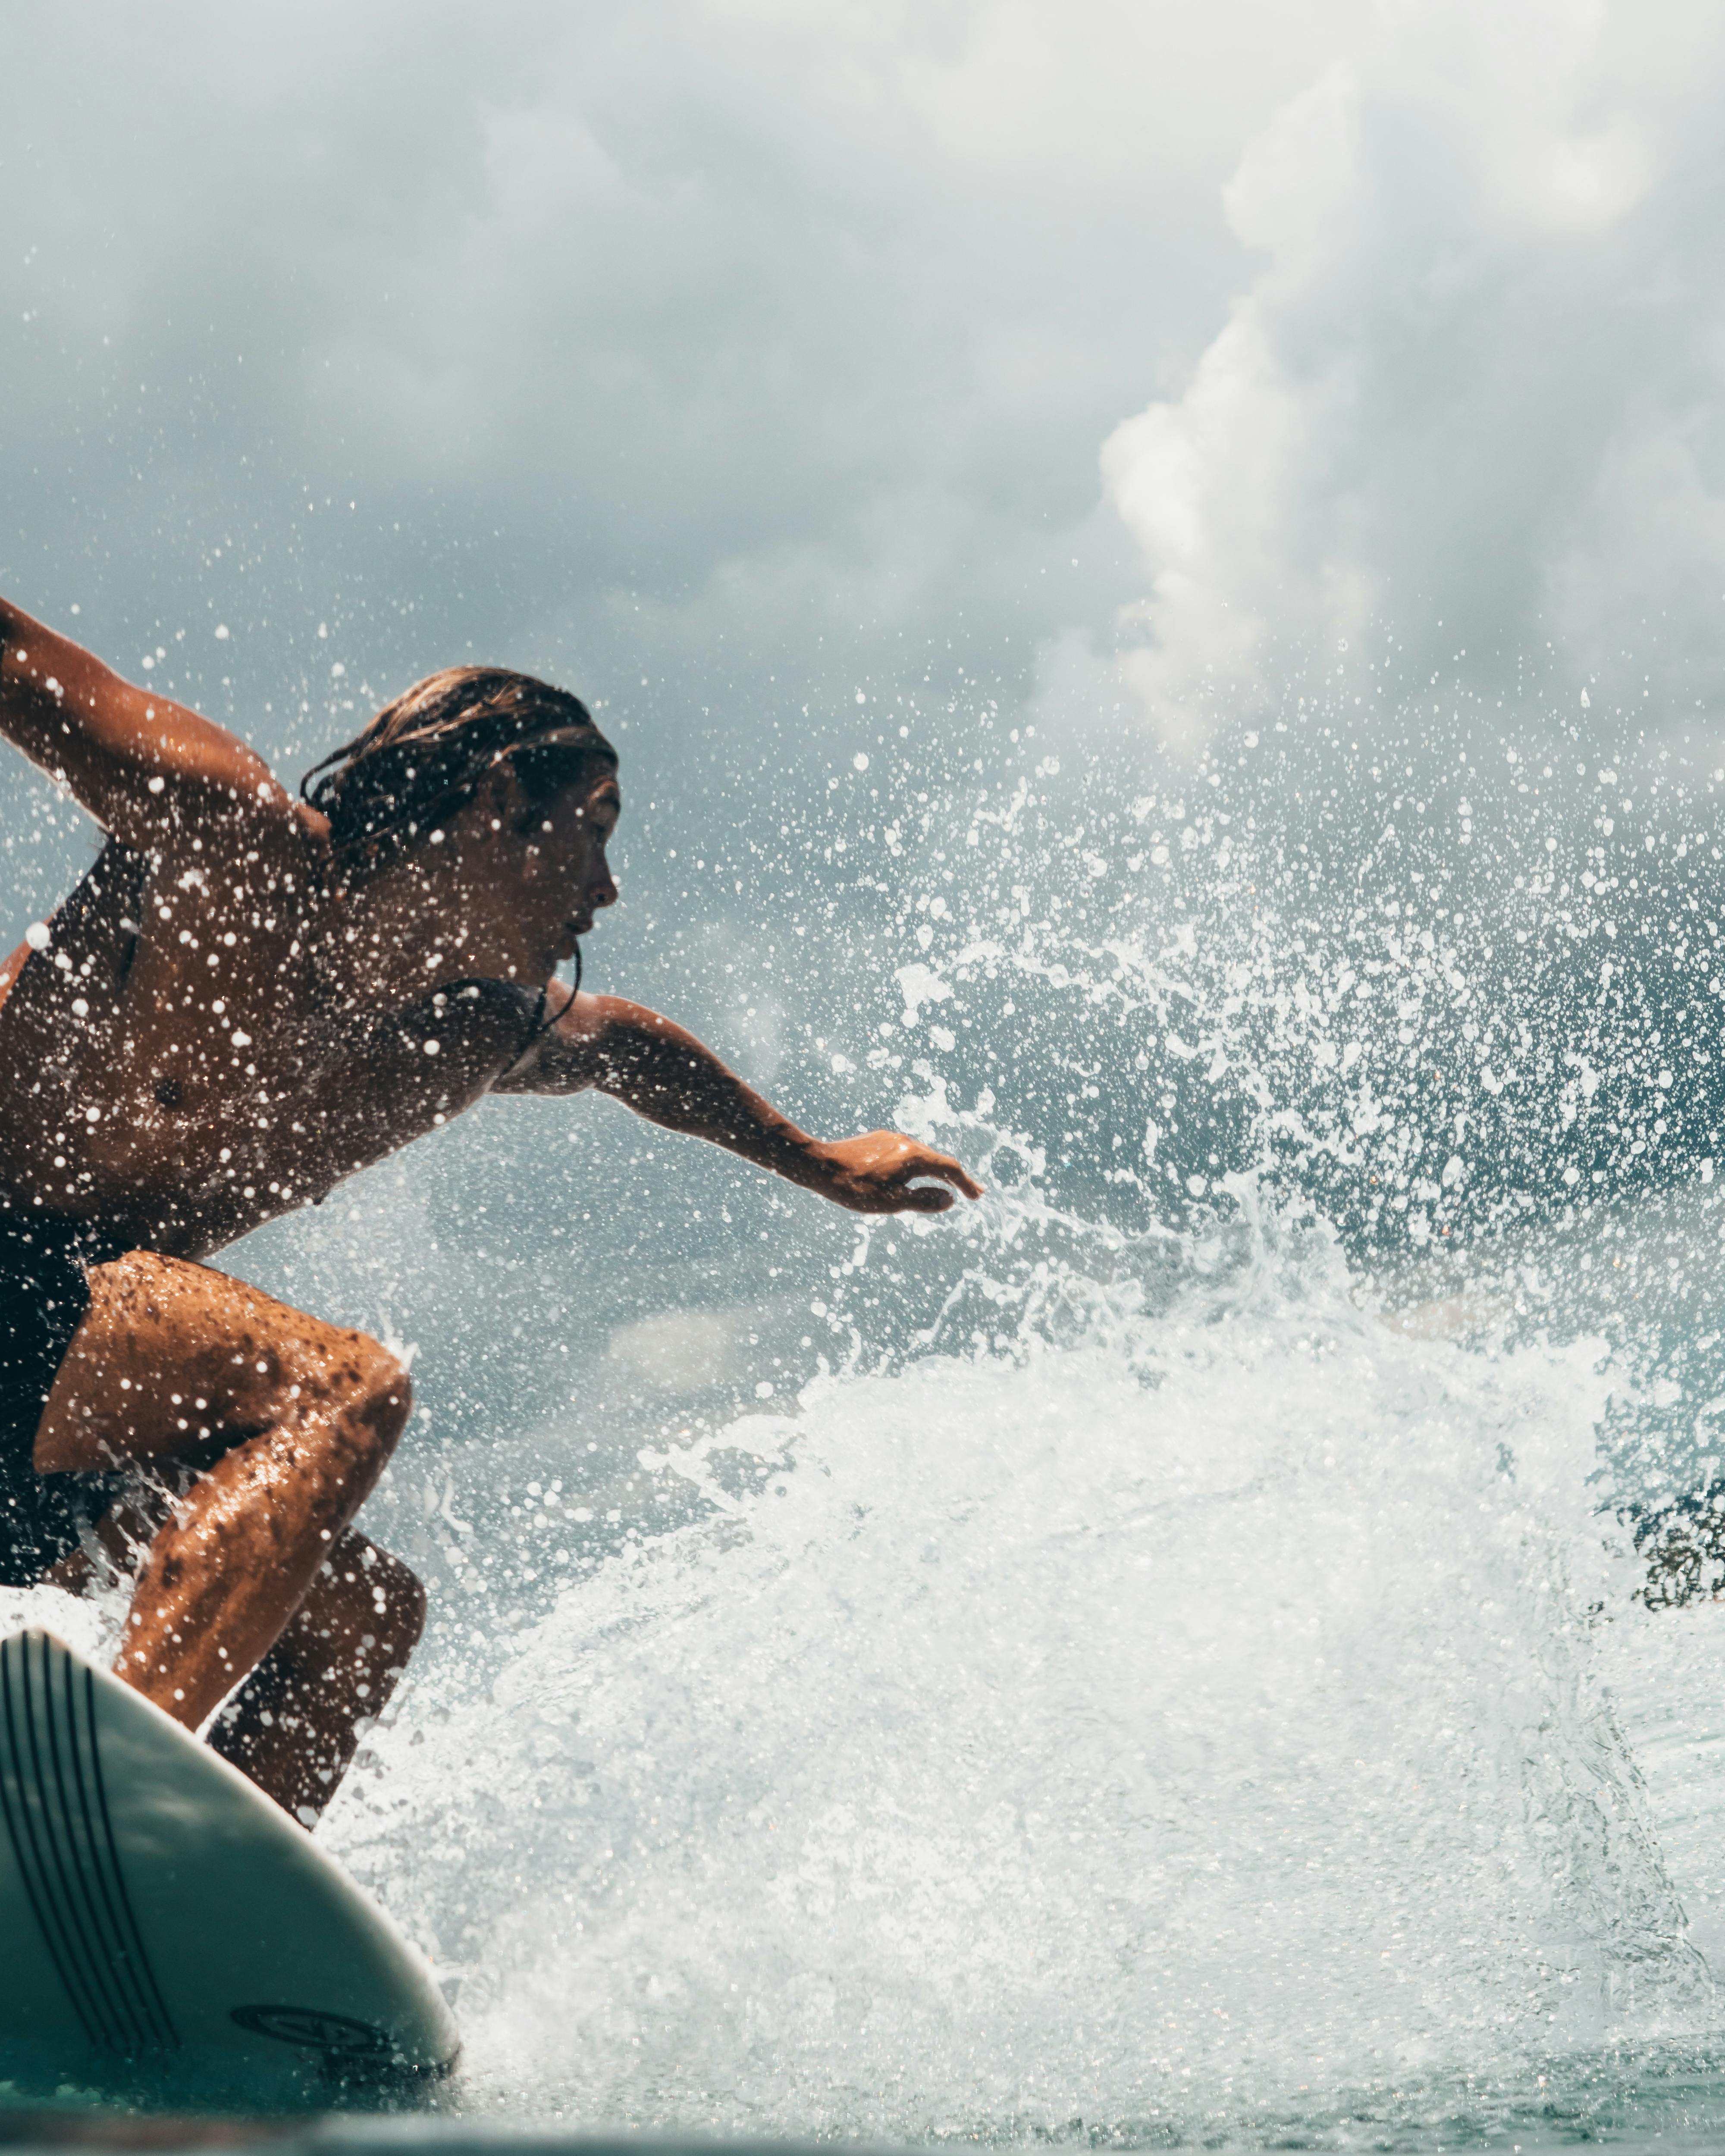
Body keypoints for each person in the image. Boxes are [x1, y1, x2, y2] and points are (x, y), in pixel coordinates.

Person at [0, 596, 982, 1824]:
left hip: (46, 1389)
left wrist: (821, 1162)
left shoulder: (455, 1037)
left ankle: (179, 1926)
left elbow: (624, 1052)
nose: (610, 890)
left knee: (362, 1624)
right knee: (342, 1389)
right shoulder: (235, 849)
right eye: (594, 831)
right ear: (494, 802)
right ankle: (93, 1813)